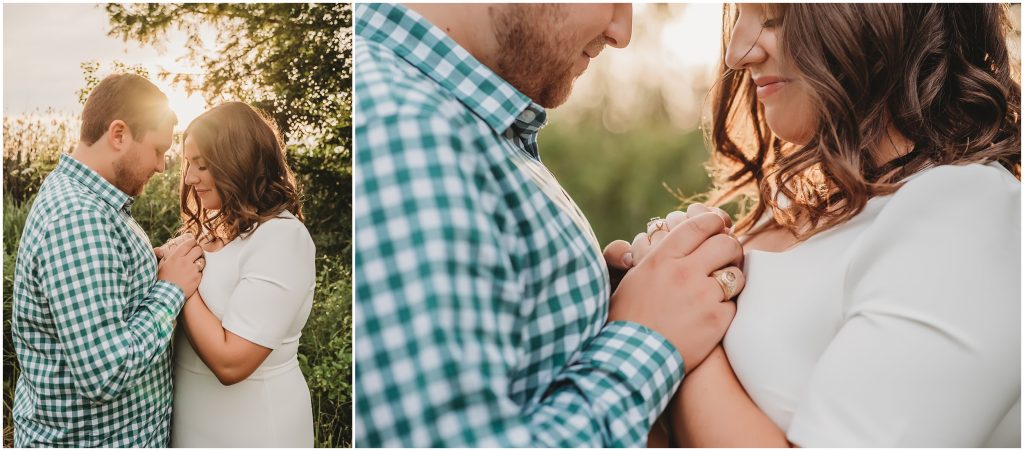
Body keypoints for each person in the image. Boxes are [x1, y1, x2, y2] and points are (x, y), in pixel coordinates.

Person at [623, 3, 1020, 447]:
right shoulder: (805, 205)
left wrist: (666, 336)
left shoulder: (967, 215)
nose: (737, 53)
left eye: (775, 16)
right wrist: (650, 279)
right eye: (739, 14)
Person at [353, 3, 746, 447]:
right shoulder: (401, 131)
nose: (622, 31)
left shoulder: (460, 120)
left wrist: (606, 311)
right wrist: (648, 339)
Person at [10, 73, 204, 447]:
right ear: (119, 134)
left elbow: (104, 278)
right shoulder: (79, 218)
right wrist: (170, 289)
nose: (162, 166)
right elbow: (106, 372)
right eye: (157, 150)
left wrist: (154, 261)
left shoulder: (91, 200)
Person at [165, 102, 316, 447]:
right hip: (192, 420)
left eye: (202, 165)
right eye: (189, 164)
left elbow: (232, 363)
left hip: (254, 426)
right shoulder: (213, 226)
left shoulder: (282, 238)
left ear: (239, 163)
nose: (189, 178)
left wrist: (180, 287)